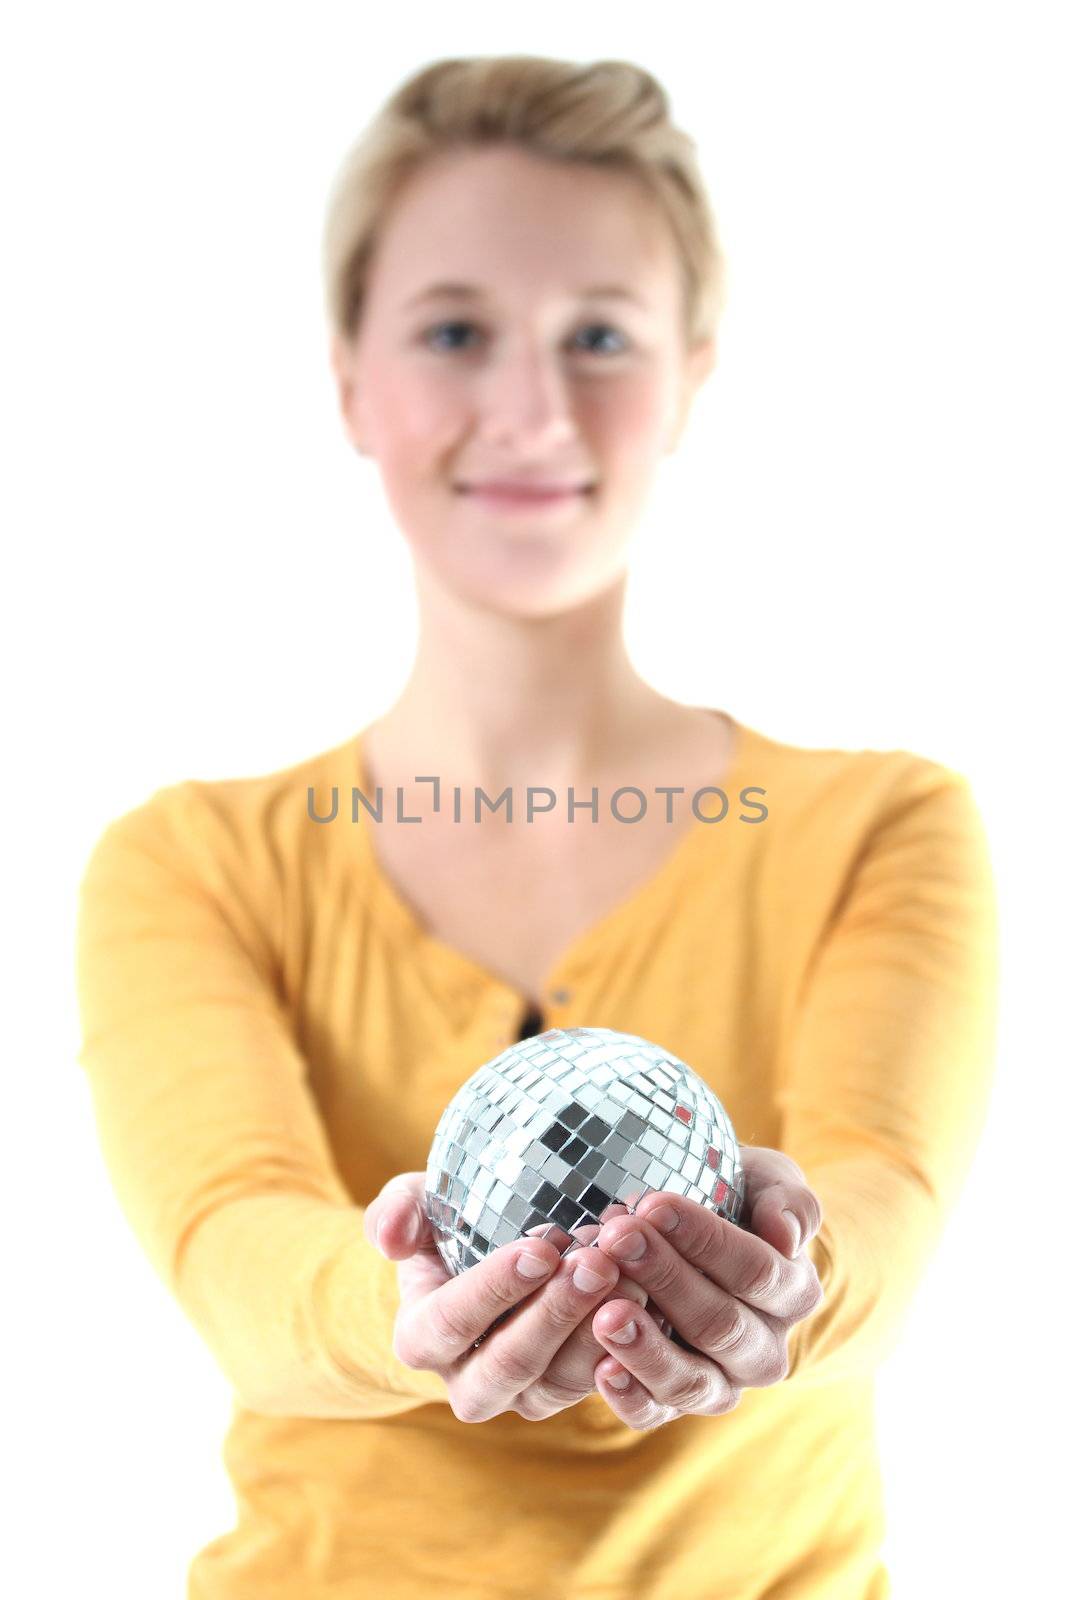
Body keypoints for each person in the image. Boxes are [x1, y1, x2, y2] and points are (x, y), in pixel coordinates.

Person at [74, 55, 1000, 1600]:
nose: (531, 409)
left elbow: (883, 1209)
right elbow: (235, 1252)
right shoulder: (189, 863)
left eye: (600, 337)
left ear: (693, 376)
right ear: (352, 384)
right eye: (454, 333)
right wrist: (411, 1316)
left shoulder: (878, 825)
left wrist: (791, 1286)